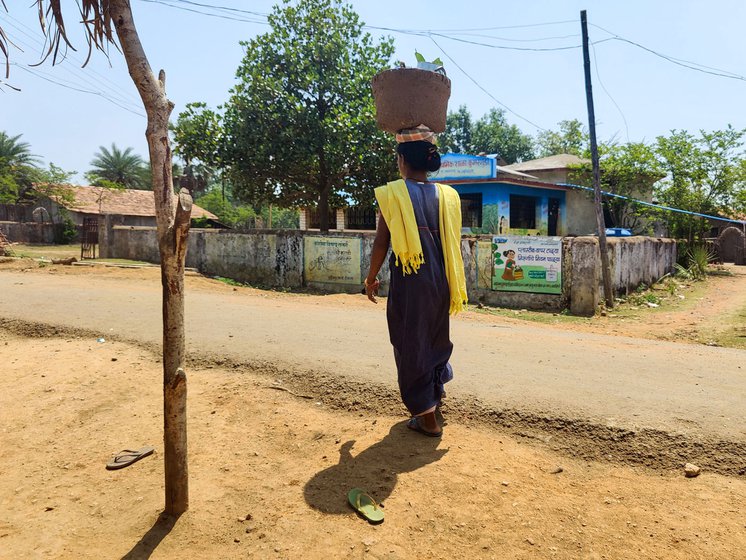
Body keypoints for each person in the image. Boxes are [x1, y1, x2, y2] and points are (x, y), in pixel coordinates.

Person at [364, 125, 468, 437]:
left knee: (410, 343)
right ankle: (435, 397)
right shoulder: (447, 195)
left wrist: (371, 279)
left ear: (401, 160)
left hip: (412, 278)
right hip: (443, 279)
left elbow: (382, 242)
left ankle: (426, 417)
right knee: (435, 338)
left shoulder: (394, 193)